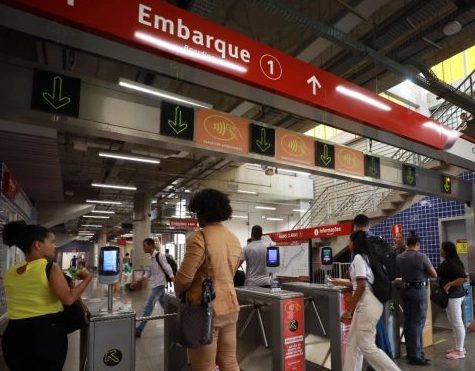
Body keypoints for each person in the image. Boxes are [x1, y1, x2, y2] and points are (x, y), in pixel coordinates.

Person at [1, 220, 92, 370]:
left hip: (13, 335)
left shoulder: (11, 271)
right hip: (45, 336)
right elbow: (68, 299)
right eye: (52, 242)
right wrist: (87, 279)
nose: (54, 246)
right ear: (38, 245)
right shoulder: (49, 267)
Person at [174, 188, 241, 371]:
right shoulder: (233, 238)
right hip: (230, 307)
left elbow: (184, 278)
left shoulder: (200, 237)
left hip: (204, 311)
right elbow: (231, 272)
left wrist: (178, 290)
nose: (197, 218)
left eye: (197, 213)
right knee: (229, 362)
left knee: (204, 367)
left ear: (203, 212)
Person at [339, 231, 401, 371]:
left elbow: (361, 286)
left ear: (355, 243)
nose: (348, 244)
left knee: (367, 346)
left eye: (350, 241)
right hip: (368, 302)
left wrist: (349, 311)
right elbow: (360, 284)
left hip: (367, 303)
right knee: (352, 343)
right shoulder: (367, 258)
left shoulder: (359, 259)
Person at [353, 214, 393, 364]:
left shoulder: (359, 242)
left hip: (369, 292)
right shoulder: (378, 240)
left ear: (355, 226)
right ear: (369, 225)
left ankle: (381, 360)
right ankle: (387, 354)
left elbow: (358, 273)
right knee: (379, 324)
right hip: (382, 287)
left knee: (373, 330)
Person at [396, 231, 437, 365]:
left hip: (405, 291)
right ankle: (415, 356)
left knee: (409, 322)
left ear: (407, 244)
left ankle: (412, 352)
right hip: (418, 292)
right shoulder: (421, 256)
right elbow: (433, 274)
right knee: (417, 324)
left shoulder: (400, 257)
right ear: (417, 244)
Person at [130, 238, 174, 338]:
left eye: (145, 245)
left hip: (159, 286)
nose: (143, 248)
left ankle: (139, 330)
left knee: (148, 307)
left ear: (151, 245)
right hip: (157, 285)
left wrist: (174, 280)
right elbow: (148, 274)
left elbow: (168, 268)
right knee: (166, 308)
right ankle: (177, 322)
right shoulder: (151, 259)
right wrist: (136, 282)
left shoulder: (160, 256)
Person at [438, 241, 467, 359]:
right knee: (453, 322)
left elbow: (463, 278)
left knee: (457, 322)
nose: (440, 251)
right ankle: (458, 346)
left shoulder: (452, 263)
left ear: (446, 250)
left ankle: (460, 351)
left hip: (455, 296)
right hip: (451, 296)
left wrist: (450, 283)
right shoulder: (449, 262)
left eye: (442, 249)